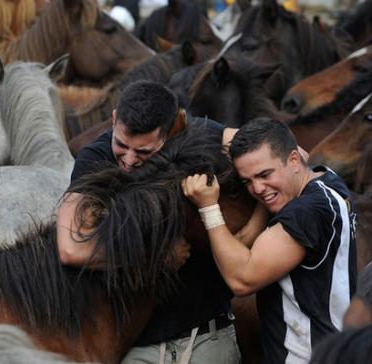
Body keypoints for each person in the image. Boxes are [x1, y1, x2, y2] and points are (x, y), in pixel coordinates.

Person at [57, 80, 264, 363]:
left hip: (208, 336)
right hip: (140, 346)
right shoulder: (94, 158)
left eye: (143, 152)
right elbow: (71, 248)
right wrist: (153, 256)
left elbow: (287, 156)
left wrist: (251, 229)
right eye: (121, 145)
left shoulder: (199, 133)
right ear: (115, 118)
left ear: (173, 131)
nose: (129, 160)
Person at [182, 118, 357, 364]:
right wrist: (269, 200)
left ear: (294, 160)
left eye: (265, 174)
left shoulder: (306, 213)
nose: (258, 189)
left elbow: (243, 279)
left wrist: (208, 206)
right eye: (248, 181)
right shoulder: (329, 182)